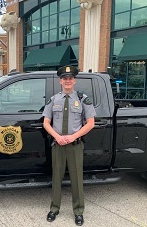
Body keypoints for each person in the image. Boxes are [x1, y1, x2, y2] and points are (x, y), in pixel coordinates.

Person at [42, 66, 96, 226]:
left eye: (70, 78)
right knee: (56, 177)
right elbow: (46, 122)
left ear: (74, 80)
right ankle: (54, 208)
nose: (67, 81)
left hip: (75, 145)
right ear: (60, 81)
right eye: (64, 78)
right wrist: (57, 137)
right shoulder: (54, 100)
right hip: (58, 145)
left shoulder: (82, 99)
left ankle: (78, 211)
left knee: (77, 179)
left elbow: (91, 123)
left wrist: (73, 136)